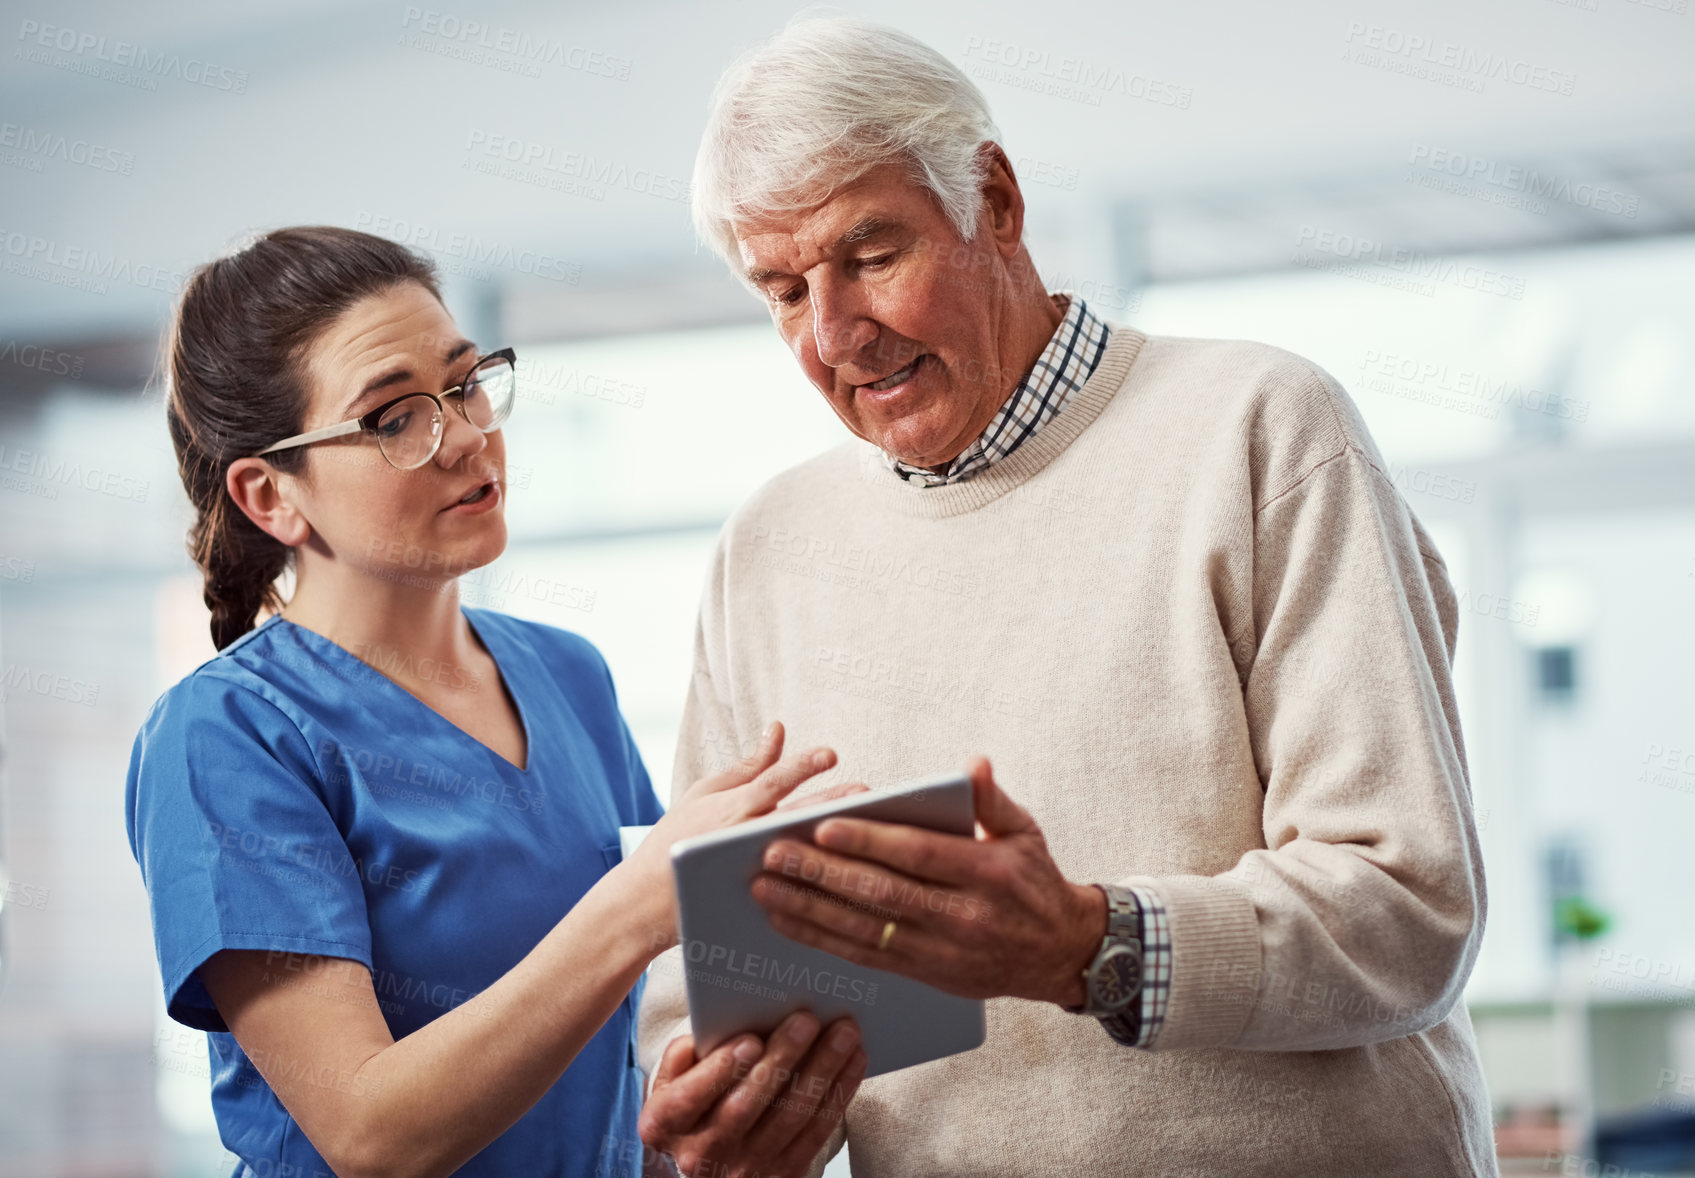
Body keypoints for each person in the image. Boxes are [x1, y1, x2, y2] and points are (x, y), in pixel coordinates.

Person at [636, 18, 1497, 1178]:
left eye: (872, 255)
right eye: (785, 290)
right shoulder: (767, 552)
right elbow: (706, 964)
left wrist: (1092, 945)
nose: (836, 334)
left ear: (993, 199)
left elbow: (1407, 907)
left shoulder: (1261, 429)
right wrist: (726, 1096)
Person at [125, 226, 865, 1178]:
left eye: (467, 383)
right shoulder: (228, 737)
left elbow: (640, 1029)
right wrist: (637, 906)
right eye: (395, 418)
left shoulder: (569, 675)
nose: (469, 435)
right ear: (271, 496)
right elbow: (368, 1134)